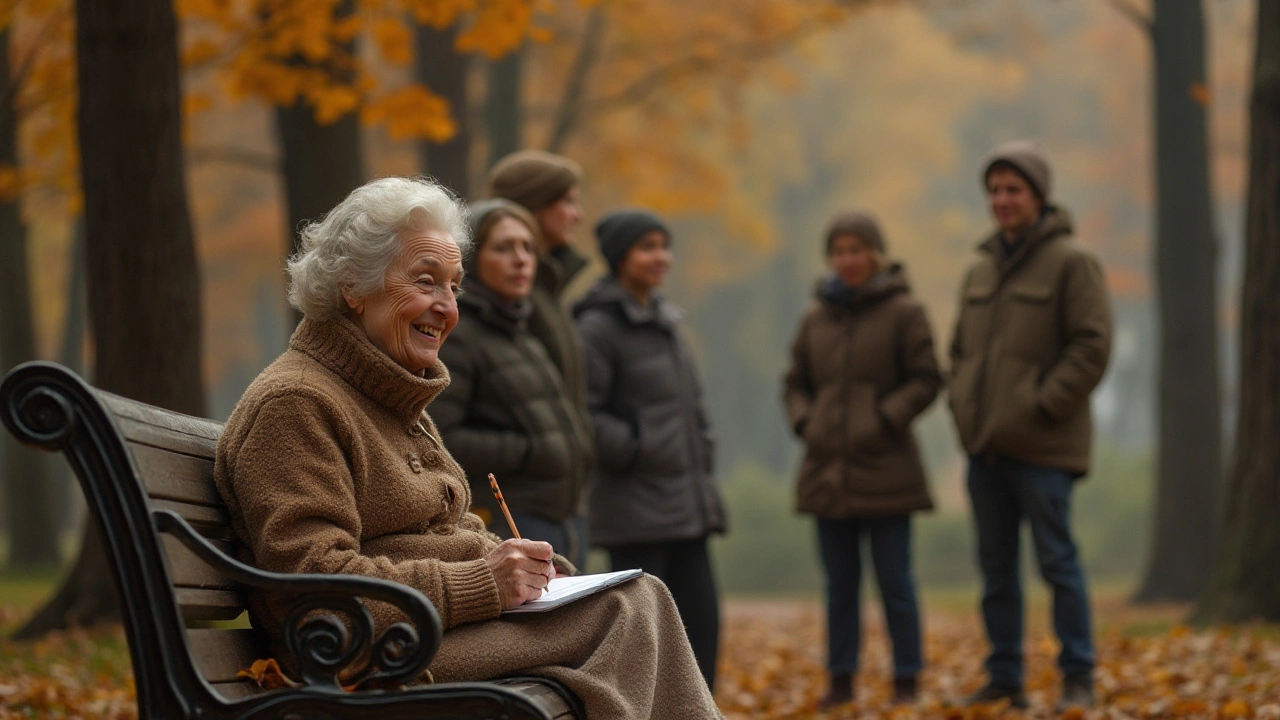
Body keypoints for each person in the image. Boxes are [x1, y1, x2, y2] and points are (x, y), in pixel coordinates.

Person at [213, 177, 721, 719]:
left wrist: (539, 574)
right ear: (352, 287)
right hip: (363, 660)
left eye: (454, 287)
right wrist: (484, 583)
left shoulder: (387, 395)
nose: (446, 307)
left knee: (631, 599)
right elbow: (315, 588)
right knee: (627, 611)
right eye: (426, 282)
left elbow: (450, 531)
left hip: (422, 635)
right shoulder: (297, 403)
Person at [948, 140, 1112, 711]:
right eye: (994, 190)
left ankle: (1078, 676)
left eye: (1013, 189)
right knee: (996, 572)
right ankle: (1006, 677)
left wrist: (1042, 405)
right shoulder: (978, 267)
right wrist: (964, 409)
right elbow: (960, 353)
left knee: (1058, 565)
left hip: (1045, 450)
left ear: (1039, 196)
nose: (1002, 200)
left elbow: (1092, 345)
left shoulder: (1072, 261)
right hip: (985, 449)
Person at [783, 211, 940, 708]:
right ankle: (842, 679)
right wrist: (808, 422)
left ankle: (907, 680)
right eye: (839, 251)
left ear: (875, 254)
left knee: (896, 582)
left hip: (887, 468)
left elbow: (927, 378)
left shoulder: (905, 311)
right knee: (840, 588)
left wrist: (882, 419)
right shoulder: (814, 318)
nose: (848, 260)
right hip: (827, 471)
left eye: (857, 249)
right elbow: (794, 383)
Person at [574, 208, 727, 692]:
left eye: (665, 245)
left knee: (703, 634)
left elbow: (690, 410)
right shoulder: (596, 327)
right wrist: (638, 450)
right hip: (634, 510)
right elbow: (585, 414)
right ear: (621, 257)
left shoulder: (666, 321)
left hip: (686, 506)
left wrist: (700, 454)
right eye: (648, 247)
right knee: (642, 648)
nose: (661, 257)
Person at [432, 198, 593, 567]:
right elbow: (442, 437)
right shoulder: (458, 335)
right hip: (508, 519)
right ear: (470, 259)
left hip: (563, 516)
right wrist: (529, 450)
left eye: (527, 248)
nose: (521, 259)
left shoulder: (522, 329)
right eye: (504, 248)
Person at [488, 150, 594, 566]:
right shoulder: (510, 299)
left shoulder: (546, 291)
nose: (577, 215)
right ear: (532, 206)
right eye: (566, 201)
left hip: (564, 503)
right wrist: (536, 449)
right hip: (519, 507)